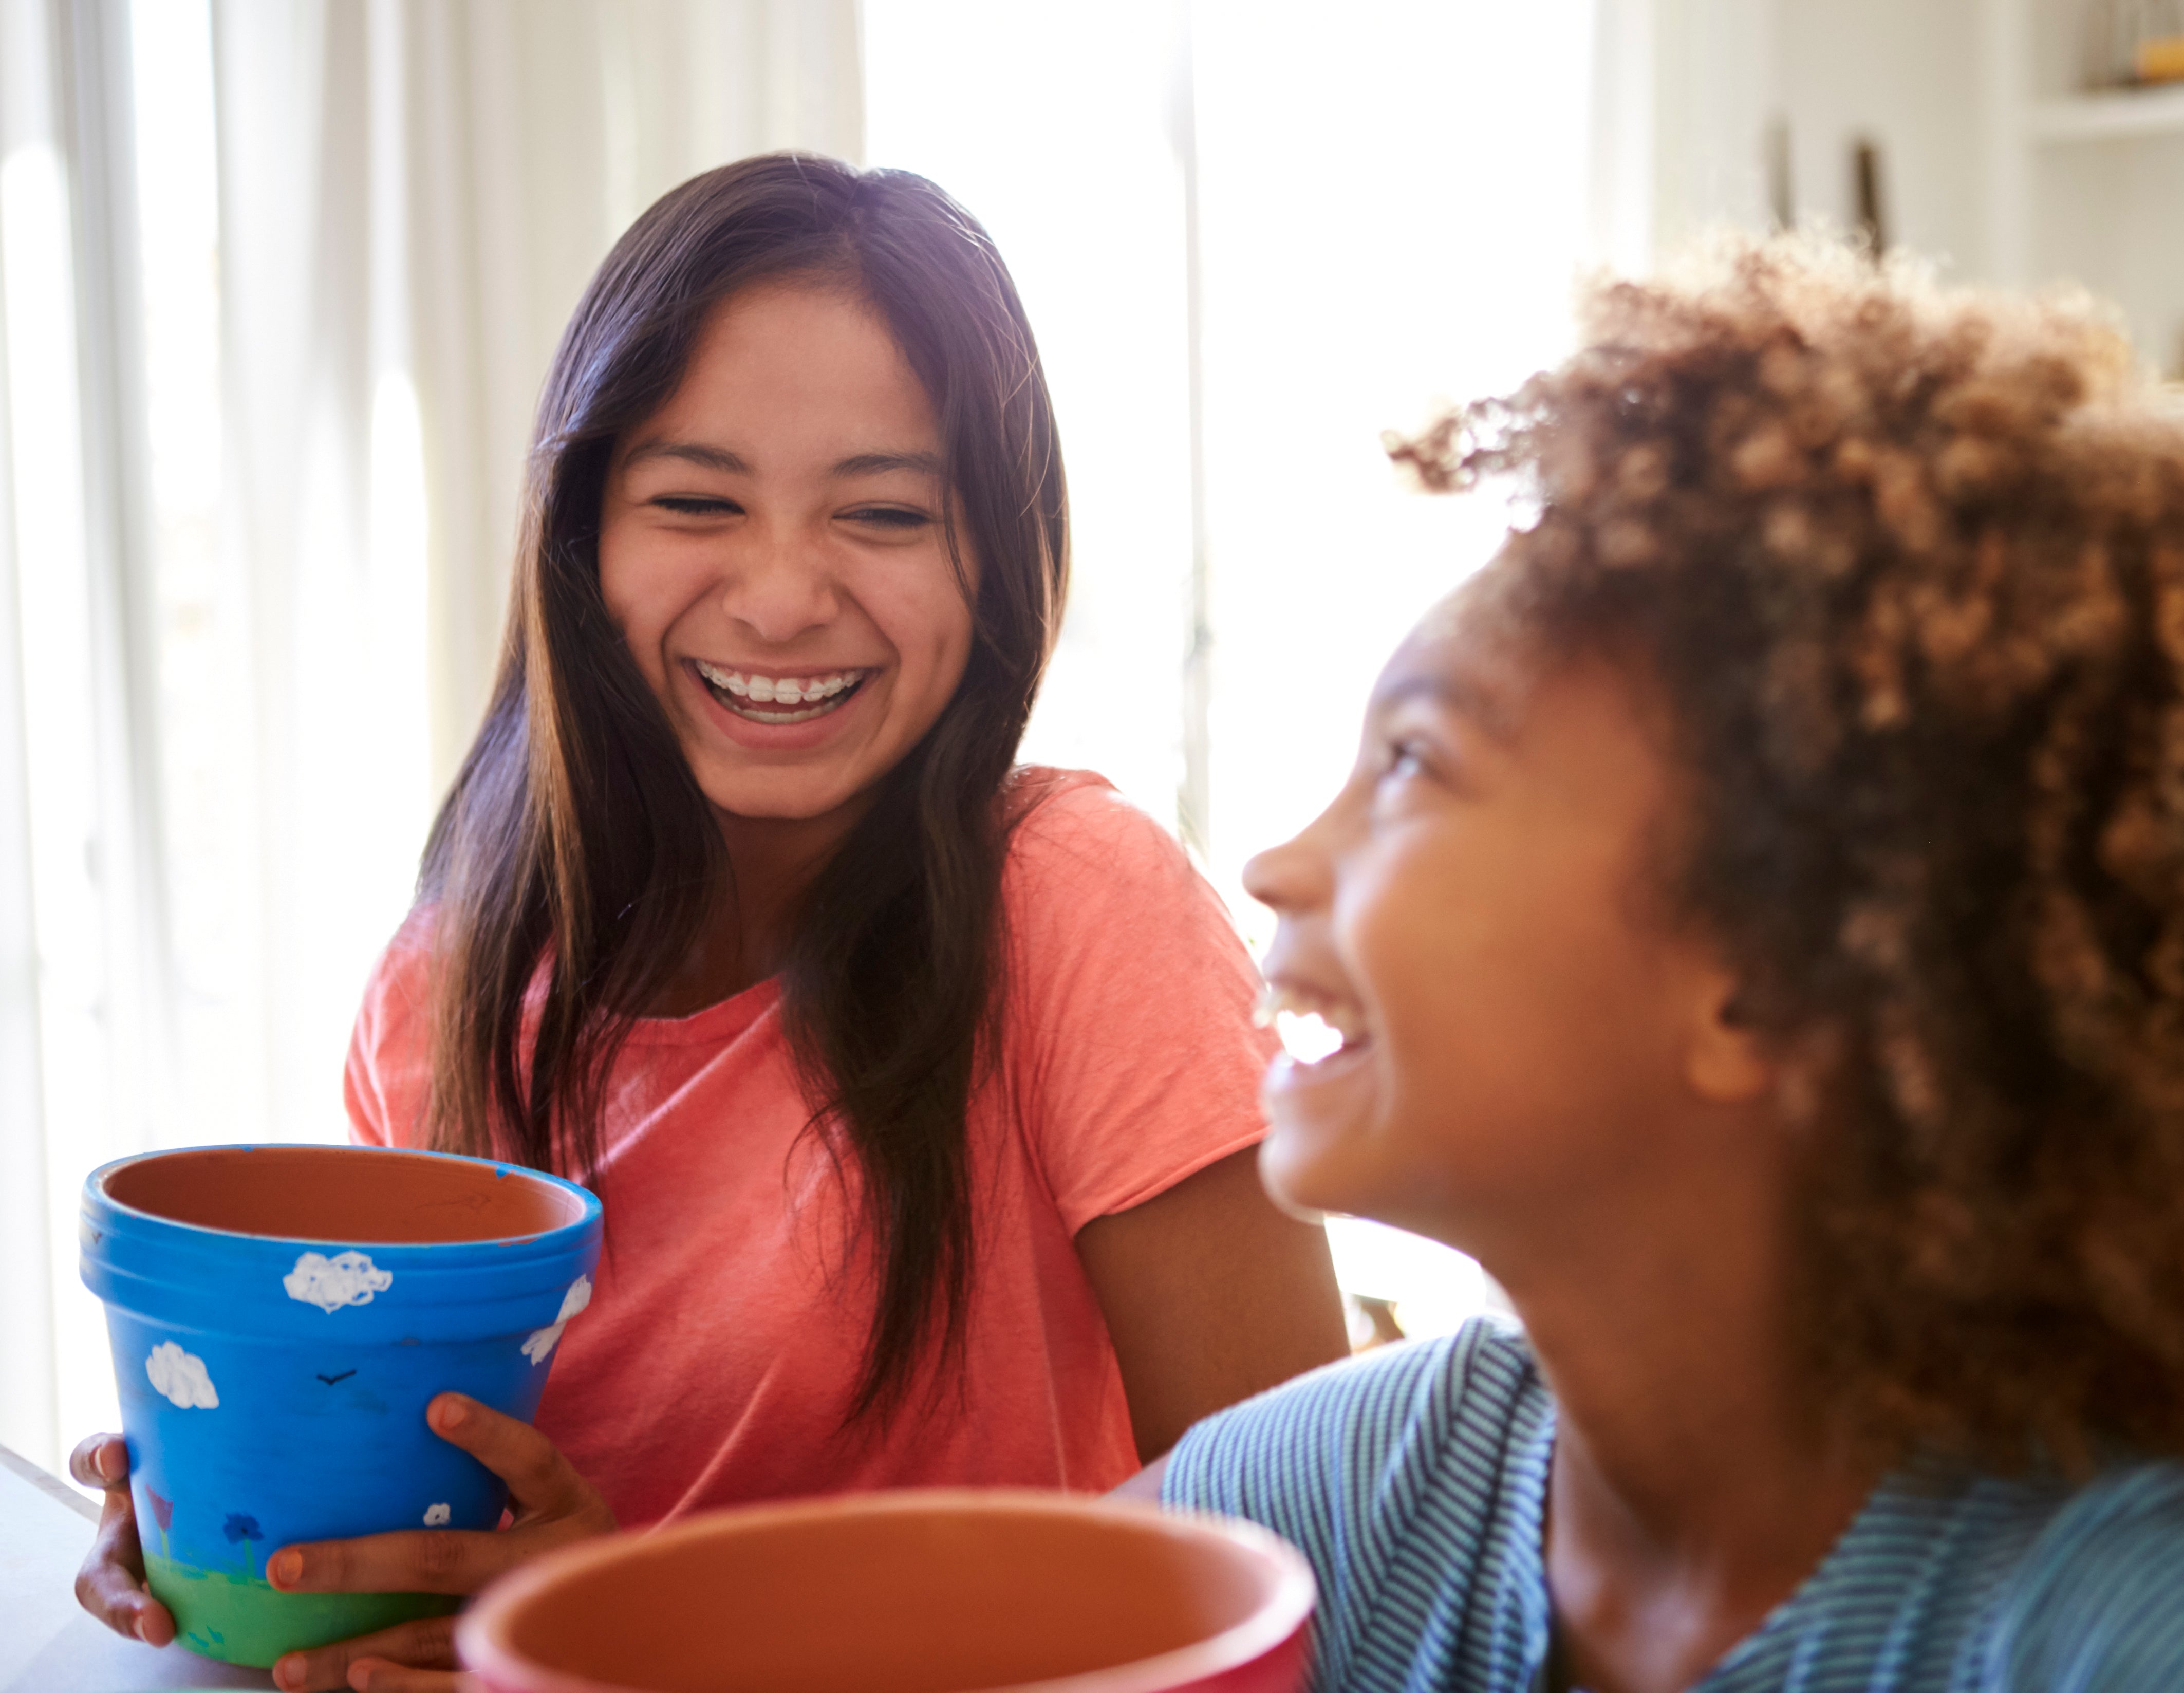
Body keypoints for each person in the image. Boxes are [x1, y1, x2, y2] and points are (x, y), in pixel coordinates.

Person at [1138, 237, 2184, 1690]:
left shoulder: (2131, 1642)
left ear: (1764, 973)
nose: (1278, 862)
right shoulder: (1340, 1498)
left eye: (1413, 764)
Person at [72, 153, 1348, 1692]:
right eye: (695, 502)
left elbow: (1316, 1573)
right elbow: (426, 1521)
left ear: (996, 561)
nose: (783, 596)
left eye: (882, 512)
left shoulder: (1076, 899)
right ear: (582, 537)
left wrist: (631, 1630)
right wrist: (238, 1539)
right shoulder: (443, 983)